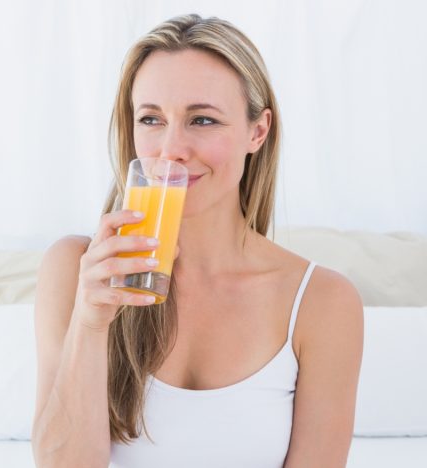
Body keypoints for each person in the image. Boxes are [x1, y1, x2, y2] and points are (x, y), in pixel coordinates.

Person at [31, 14, 363, 468]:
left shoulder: (322, 302)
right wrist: (90, 324)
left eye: (202, 120)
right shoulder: (76, 269)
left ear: (257, 131)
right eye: (151, 119)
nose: (171, 149)